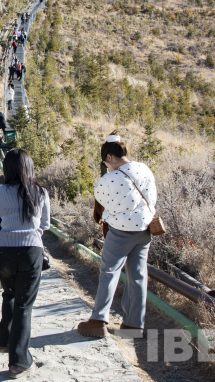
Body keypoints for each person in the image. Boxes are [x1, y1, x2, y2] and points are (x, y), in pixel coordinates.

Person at [77, 132, 157, 340]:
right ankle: (134, 325)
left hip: (120, 231)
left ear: (109, 157)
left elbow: (103, 204)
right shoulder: (144, 169)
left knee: (109, 272)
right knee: (138, 276)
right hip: (145, 229)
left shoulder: (110, 178)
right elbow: (153, 197)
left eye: (106, 162)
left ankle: (99, 319)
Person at [0, 149, 50, 378]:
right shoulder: (40, 192)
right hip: (31, 251)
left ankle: (4, 340)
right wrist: (30, 234)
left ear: (7, 169)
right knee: (24, 305)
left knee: (9, 295)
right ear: (29, 167)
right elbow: (45, 224)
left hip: (3, 251)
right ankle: (19, 362)